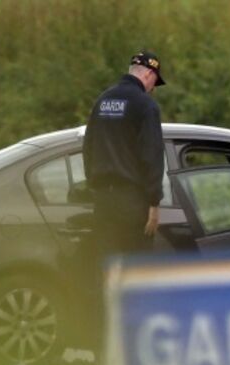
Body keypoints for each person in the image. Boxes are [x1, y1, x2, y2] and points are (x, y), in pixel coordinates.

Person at [83, 50, 166, 258]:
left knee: (109, 266)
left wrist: (95, 185)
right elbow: (152, 156)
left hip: (103, 201)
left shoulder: (102, 101)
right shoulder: (146, 105)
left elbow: (88, 147)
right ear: (149, 74)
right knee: (137, 267)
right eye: (155, 82)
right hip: (132, 202)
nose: (153, 89)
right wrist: (154, 203)